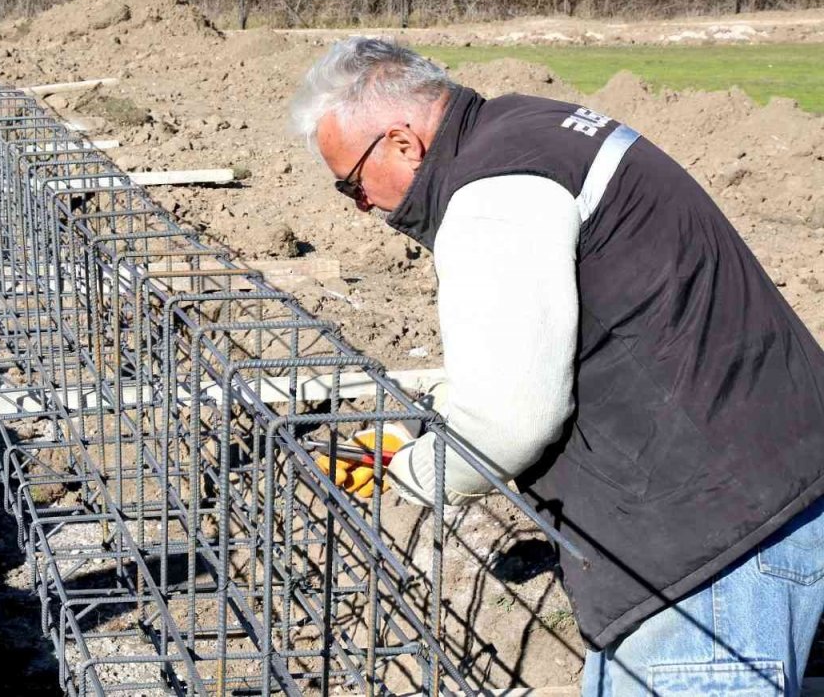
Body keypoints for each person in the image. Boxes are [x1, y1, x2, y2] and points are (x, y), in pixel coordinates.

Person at [288, 37, 824, 696]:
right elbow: (536, 347)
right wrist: (418, 435)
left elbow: (513, 417)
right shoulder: (527, 131)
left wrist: (413, 471)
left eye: (351, 184)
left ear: (402, 143)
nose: (361, 205)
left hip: (714, 542)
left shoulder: (493, 193)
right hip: (750, 492)